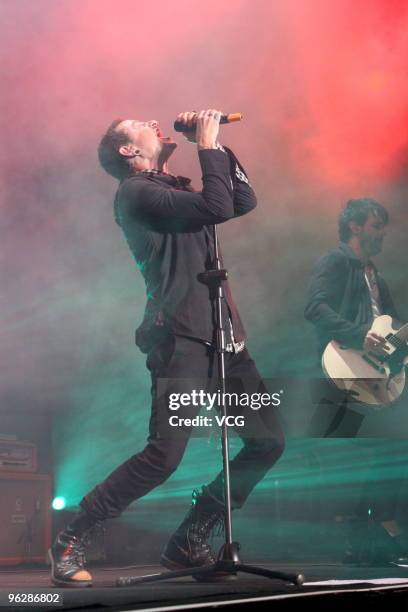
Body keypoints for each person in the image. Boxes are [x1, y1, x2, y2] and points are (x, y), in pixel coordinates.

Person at [49, 109, 285, 587]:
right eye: (140, 123)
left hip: (224, 339)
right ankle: (73, 537)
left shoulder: (173, 189)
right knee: (164, 456)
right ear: (127, 150)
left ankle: (189, 540)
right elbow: (217, 206)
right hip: (181, 338)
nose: (154, 123)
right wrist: (207, 144)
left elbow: (241, 200)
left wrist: (216, 145)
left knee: (267, 442)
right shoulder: (137, 193)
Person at [304, 198, 406, 565]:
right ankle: (366, 532)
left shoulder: (373, 273)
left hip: (373, 370)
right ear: (355, 226)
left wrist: (398, 352)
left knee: (389, 450)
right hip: (345, 364)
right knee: (374, 451)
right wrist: (359, 334)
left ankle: (372, 531)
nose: (382, 233)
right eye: (377, 225)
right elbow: (314, 308)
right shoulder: (335, 261)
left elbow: (392, 326)